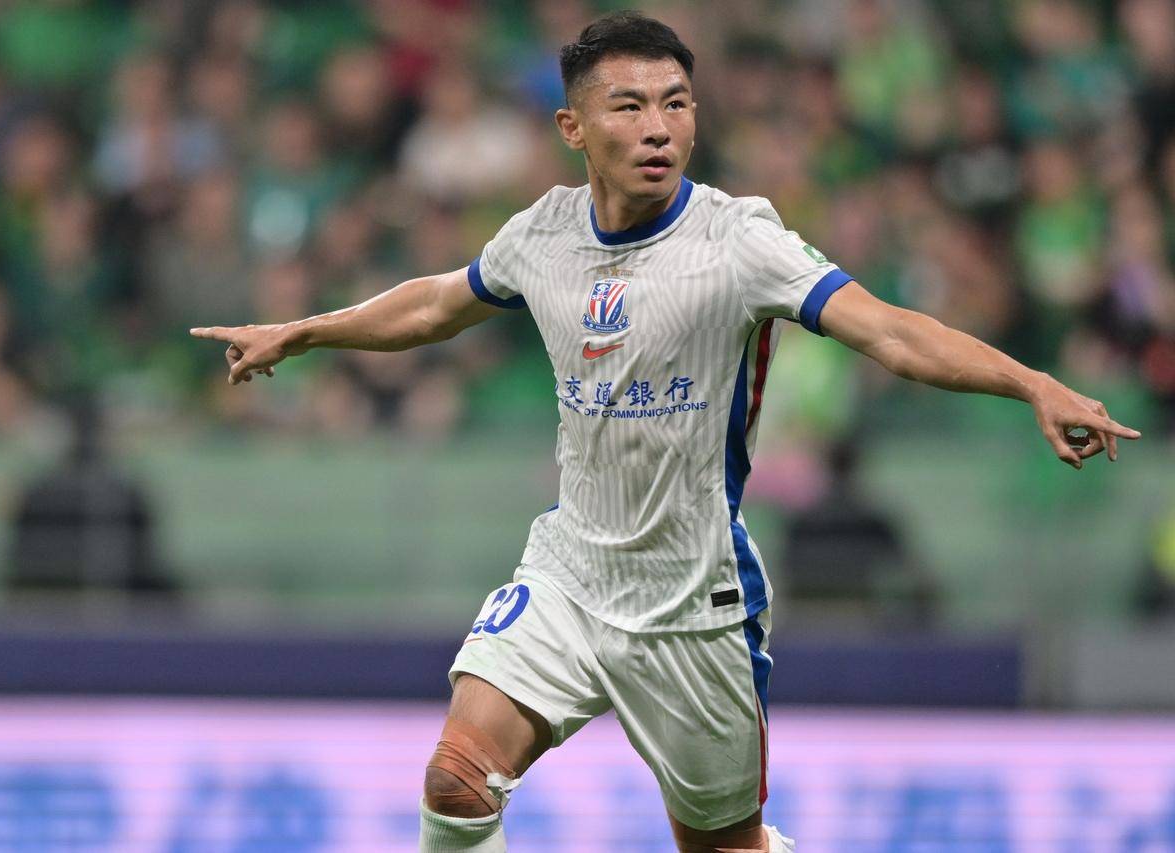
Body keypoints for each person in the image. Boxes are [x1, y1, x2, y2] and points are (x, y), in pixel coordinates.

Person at [191, 12, 1141, 853]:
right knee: (457, 781)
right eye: (630, 105)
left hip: (693, 599)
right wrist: (305, 331)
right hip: (569, 573)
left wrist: (1031, 382)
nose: (659, 127)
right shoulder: (542, 234)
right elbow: (439, 303)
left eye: (677, 104)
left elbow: (890, 331)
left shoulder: (740, 241)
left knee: (721, 844)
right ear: (574, 128)